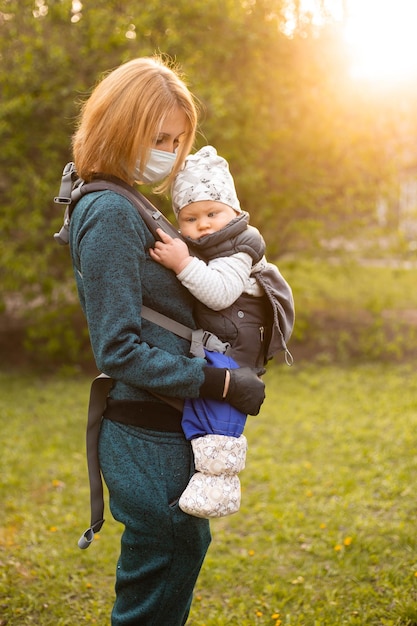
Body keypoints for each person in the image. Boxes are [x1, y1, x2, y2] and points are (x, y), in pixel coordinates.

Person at [67, 57, 265, 626]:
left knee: (173, 560)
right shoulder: (108, 210)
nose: (169, 151)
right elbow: (118, 348)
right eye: (158, 137)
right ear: (119, 124)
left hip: (164, 425)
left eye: (177, 139)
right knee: (157, 584)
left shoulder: (128, 200)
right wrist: (220, 380)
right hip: (144, 432)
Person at [150, 145, 294, 519]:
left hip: (234, 348)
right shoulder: (212, 246)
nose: (203, 224)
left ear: (233, 211)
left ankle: (220, 489)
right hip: (219, 344)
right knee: (200, 416)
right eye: (190, 217)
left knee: (219, 423)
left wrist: (182, 264)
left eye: (213, 213)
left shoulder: (239, 246)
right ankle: (206, 480)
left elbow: (219, 294)